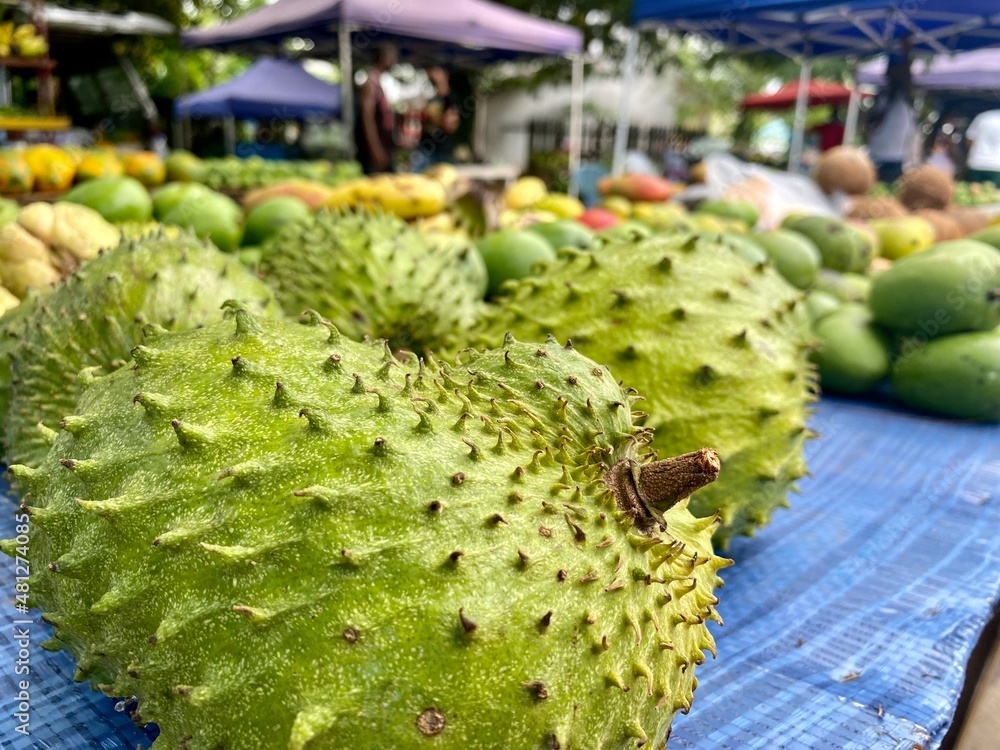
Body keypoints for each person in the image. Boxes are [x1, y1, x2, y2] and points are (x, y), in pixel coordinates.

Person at [867, 38, 917, 183]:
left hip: (892, 157)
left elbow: (907, 79)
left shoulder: (903, 97)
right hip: (878, 154)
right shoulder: (886, 96)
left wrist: (906, 54)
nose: (886, 73)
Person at [355, 44, 399, 174]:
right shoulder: (370, 84)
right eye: (393, 56)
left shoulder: (379, 83)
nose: (395, 61)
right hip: (372, 153)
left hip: (383, 148)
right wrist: (376, 149)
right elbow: (367, 120)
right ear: (383, 58)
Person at [412, 65, 460, 171]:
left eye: (437, 71)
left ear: (446, 75)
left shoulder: (451, 99)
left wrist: (433, 116)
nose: (433, 74)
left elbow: (451, 126)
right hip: (426, 146)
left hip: (442, 150)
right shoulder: (431, 99)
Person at [965, 109, 1000, 185]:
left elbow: (970, 140)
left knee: (972, 190)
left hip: (977, 163)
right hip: (997, 166)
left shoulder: (982, 117)